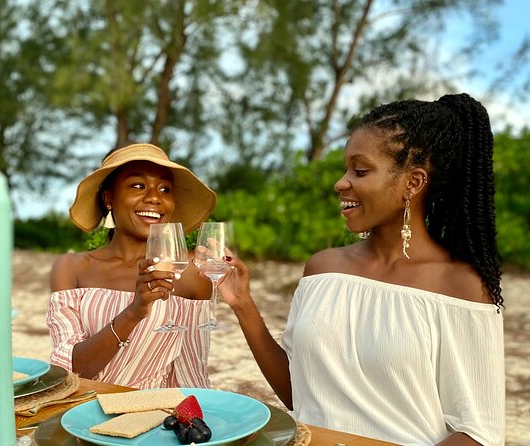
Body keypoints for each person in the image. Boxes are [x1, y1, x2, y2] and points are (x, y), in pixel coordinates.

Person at [216, 93, 505, 445]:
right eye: (345, 169)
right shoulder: (323, 268)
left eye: (360, 170)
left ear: (412, 183)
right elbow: (299, 392)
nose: (341, 182)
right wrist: (243, 304)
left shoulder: (460, 285)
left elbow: (478, 432)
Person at [47, 143, 216, 389]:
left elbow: (190, 374)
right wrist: (134, 311)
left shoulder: (190, 275)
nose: (155, 198)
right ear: (108, 198)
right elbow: (70, 371)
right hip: (79, 414)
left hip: (151, 417)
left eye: (165, 189)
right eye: (138, 185)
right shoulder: (70, 268)